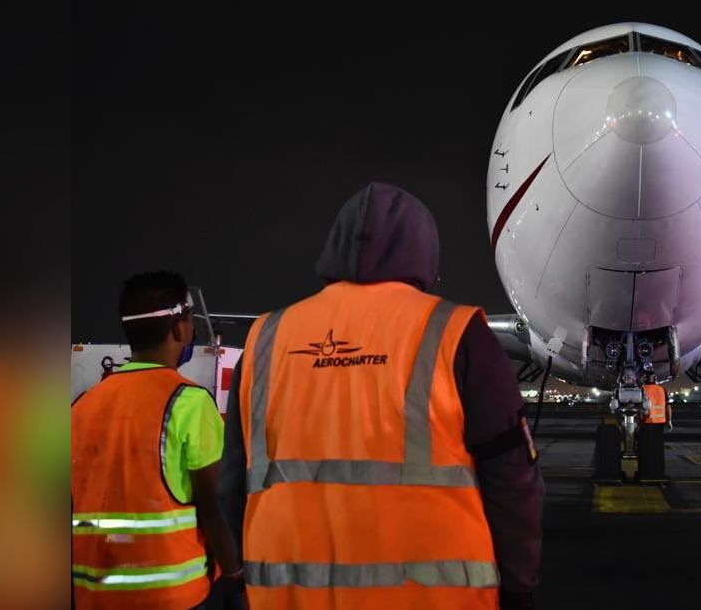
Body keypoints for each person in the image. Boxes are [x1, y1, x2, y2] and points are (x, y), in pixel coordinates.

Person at [218, 182, 544, 609]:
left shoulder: (265, 338)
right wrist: (519, 587)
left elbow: (230, 484)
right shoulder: (456, 333)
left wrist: (238, 579)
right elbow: (513, 483)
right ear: (425, 254)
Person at [72, 271, 242, 609]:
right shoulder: (189, 402)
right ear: (179, 329)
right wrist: (236, 578)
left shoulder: (83, 405)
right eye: (191, 322)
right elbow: (216, 506)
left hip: (94, 595)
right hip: (175, 595)